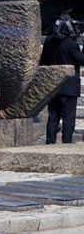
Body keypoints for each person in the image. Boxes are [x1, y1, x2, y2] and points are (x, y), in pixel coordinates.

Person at [40, 14, 84, 144]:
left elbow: (43, 61)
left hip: (53, 85)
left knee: (53, 116)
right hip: (69, 87)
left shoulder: (48, 41)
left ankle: (50, 143)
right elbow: (82, 60)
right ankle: (66, 143)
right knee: (68, 118)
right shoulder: (71, 44)